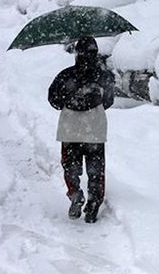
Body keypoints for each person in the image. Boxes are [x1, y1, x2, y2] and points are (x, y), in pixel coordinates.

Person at [48, 36, 115, 223]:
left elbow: (53, 99)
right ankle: (94, 204)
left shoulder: (65, 75)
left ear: (77, 53)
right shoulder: (103, 76)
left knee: (70, 165)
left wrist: (69, 102)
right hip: (94, 127)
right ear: (95, 53)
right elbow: (109, 101)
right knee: (96, 169)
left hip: (70, 128)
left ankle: (75, 193)